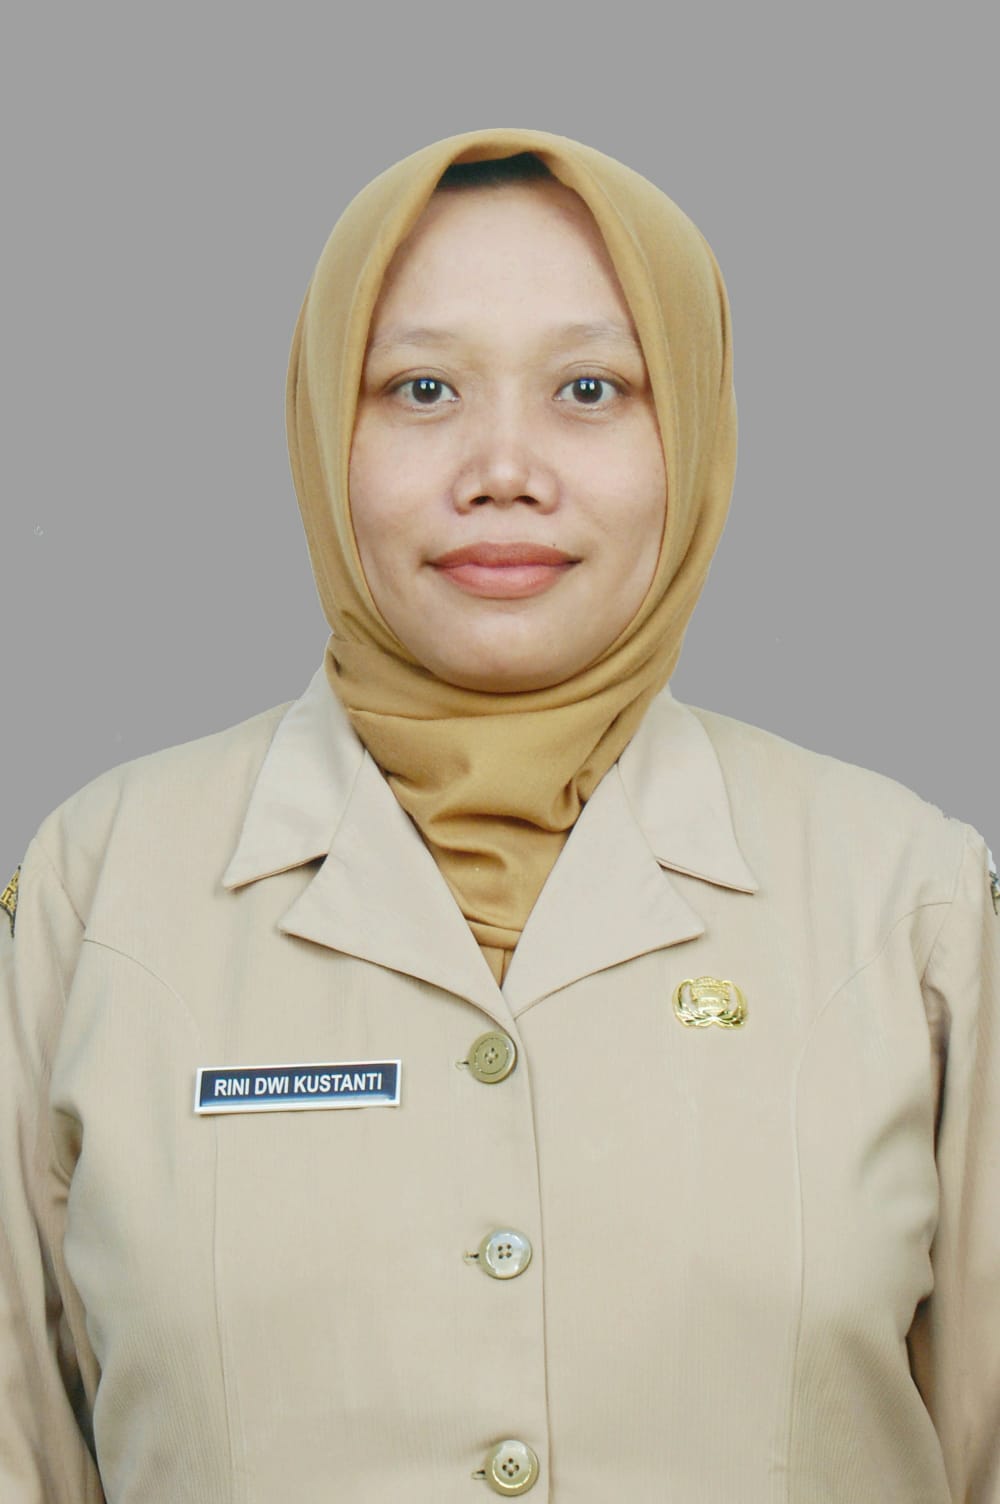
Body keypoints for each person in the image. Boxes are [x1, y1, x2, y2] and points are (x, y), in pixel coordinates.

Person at [0, 127, 996, 1503]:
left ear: (692, 428)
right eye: (421, 389)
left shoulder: (909, 901)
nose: (504, 467)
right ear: (322, 430)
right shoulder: (100, 890)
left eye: (591, 388)